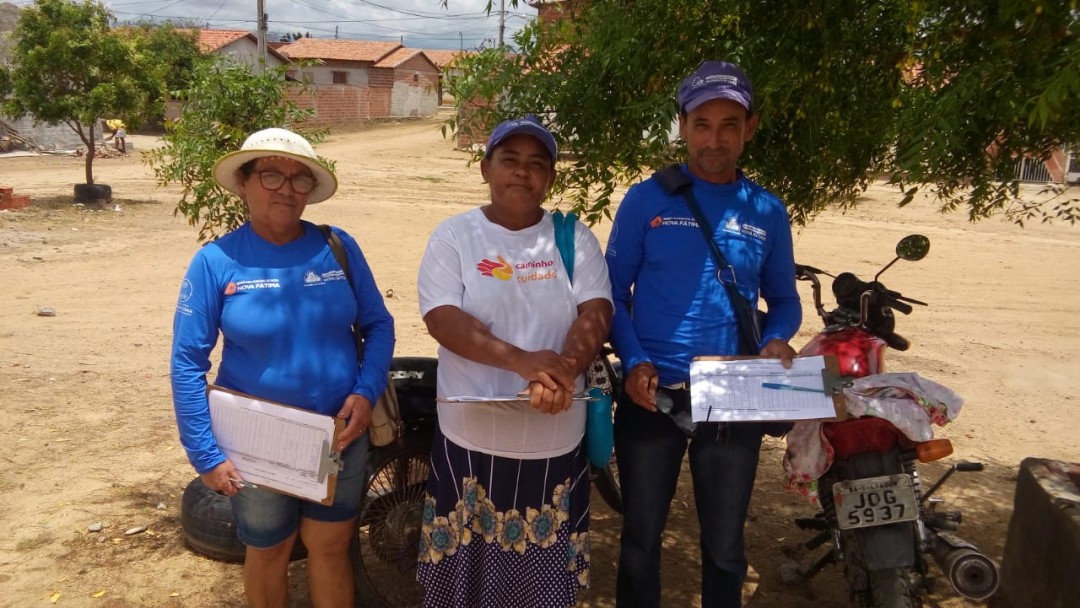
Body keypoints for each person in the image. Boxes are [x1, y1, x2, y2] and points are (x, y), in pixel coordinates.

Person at [170, 127, 395, 608]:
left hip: (337, 433)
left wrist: (366, 391)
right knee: (268, 549)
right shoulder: (215, 262)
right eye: (271, 175)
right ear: (245, 183)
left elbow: (378, 325)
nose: (286, 189)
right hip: (256, 442)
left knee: (331, 546)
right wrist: (205, 454)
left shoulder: (337, 247)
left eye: (299, 179)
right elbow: (188, 363)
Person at [605, 61, 802, 607]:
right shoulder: (646, 201)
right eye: (702, 124)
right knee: (641, 539)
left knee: (724, 546)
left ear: (750, 128)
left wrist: (777, 338)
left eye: (729, 125)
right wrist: (636, 360)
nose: (715, 139)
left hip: (730, 397)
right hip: (651, 397)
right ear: (683, 126)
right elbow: (612, 297)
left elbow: (783, 300)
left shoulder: (767, 210)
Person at [415, 115, 613, 607]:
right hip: (470, 443)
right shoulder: (455, 236)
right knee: (466, 582)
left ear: (550, 178)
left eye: (536, 164)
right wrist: (524, 362)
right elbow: (442, 318)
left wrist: (563, 368)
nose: (522, 173)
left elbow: (596, 310)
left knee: (536, 585)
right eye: (509, 160)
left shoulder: (574, 238)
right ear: (486, 168)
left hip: (552, 443)